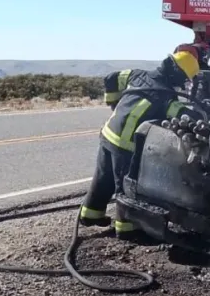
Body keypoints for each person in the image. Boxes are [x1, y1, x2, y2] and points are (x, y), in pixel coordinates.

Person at [78, 51, 202, 241]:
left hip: (107, 134)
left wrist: (112, 101)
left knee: (104, 177)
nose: (182, 83)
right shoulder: (166, 95)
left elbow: (111, 78)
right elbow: (180, 113)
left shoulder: (137, 74)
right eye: (184, 79)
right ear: (176, 73)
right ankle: (127, 228)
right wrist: (201, 117)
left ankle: (90, 214)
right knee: (126, 187)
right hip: (125, 146)